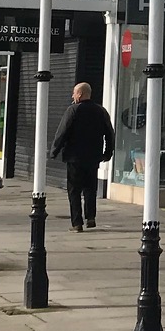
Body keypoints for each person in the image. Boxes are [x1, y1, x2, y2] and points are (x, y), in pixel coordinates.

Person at [49, 81, 115, 231]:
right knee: (90, 188)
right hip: (93, 157)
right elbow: (109, 133)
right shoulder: (101, 111)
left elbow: (62, 133)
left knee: (74, 190)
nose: (73, 96)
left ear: (80, 94)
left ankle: (77, 222)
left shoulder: (73, 110)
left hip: (74, 158)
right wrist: (108, 152)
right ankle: (90, 217)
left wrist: (54, 151)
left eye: (74, 92)